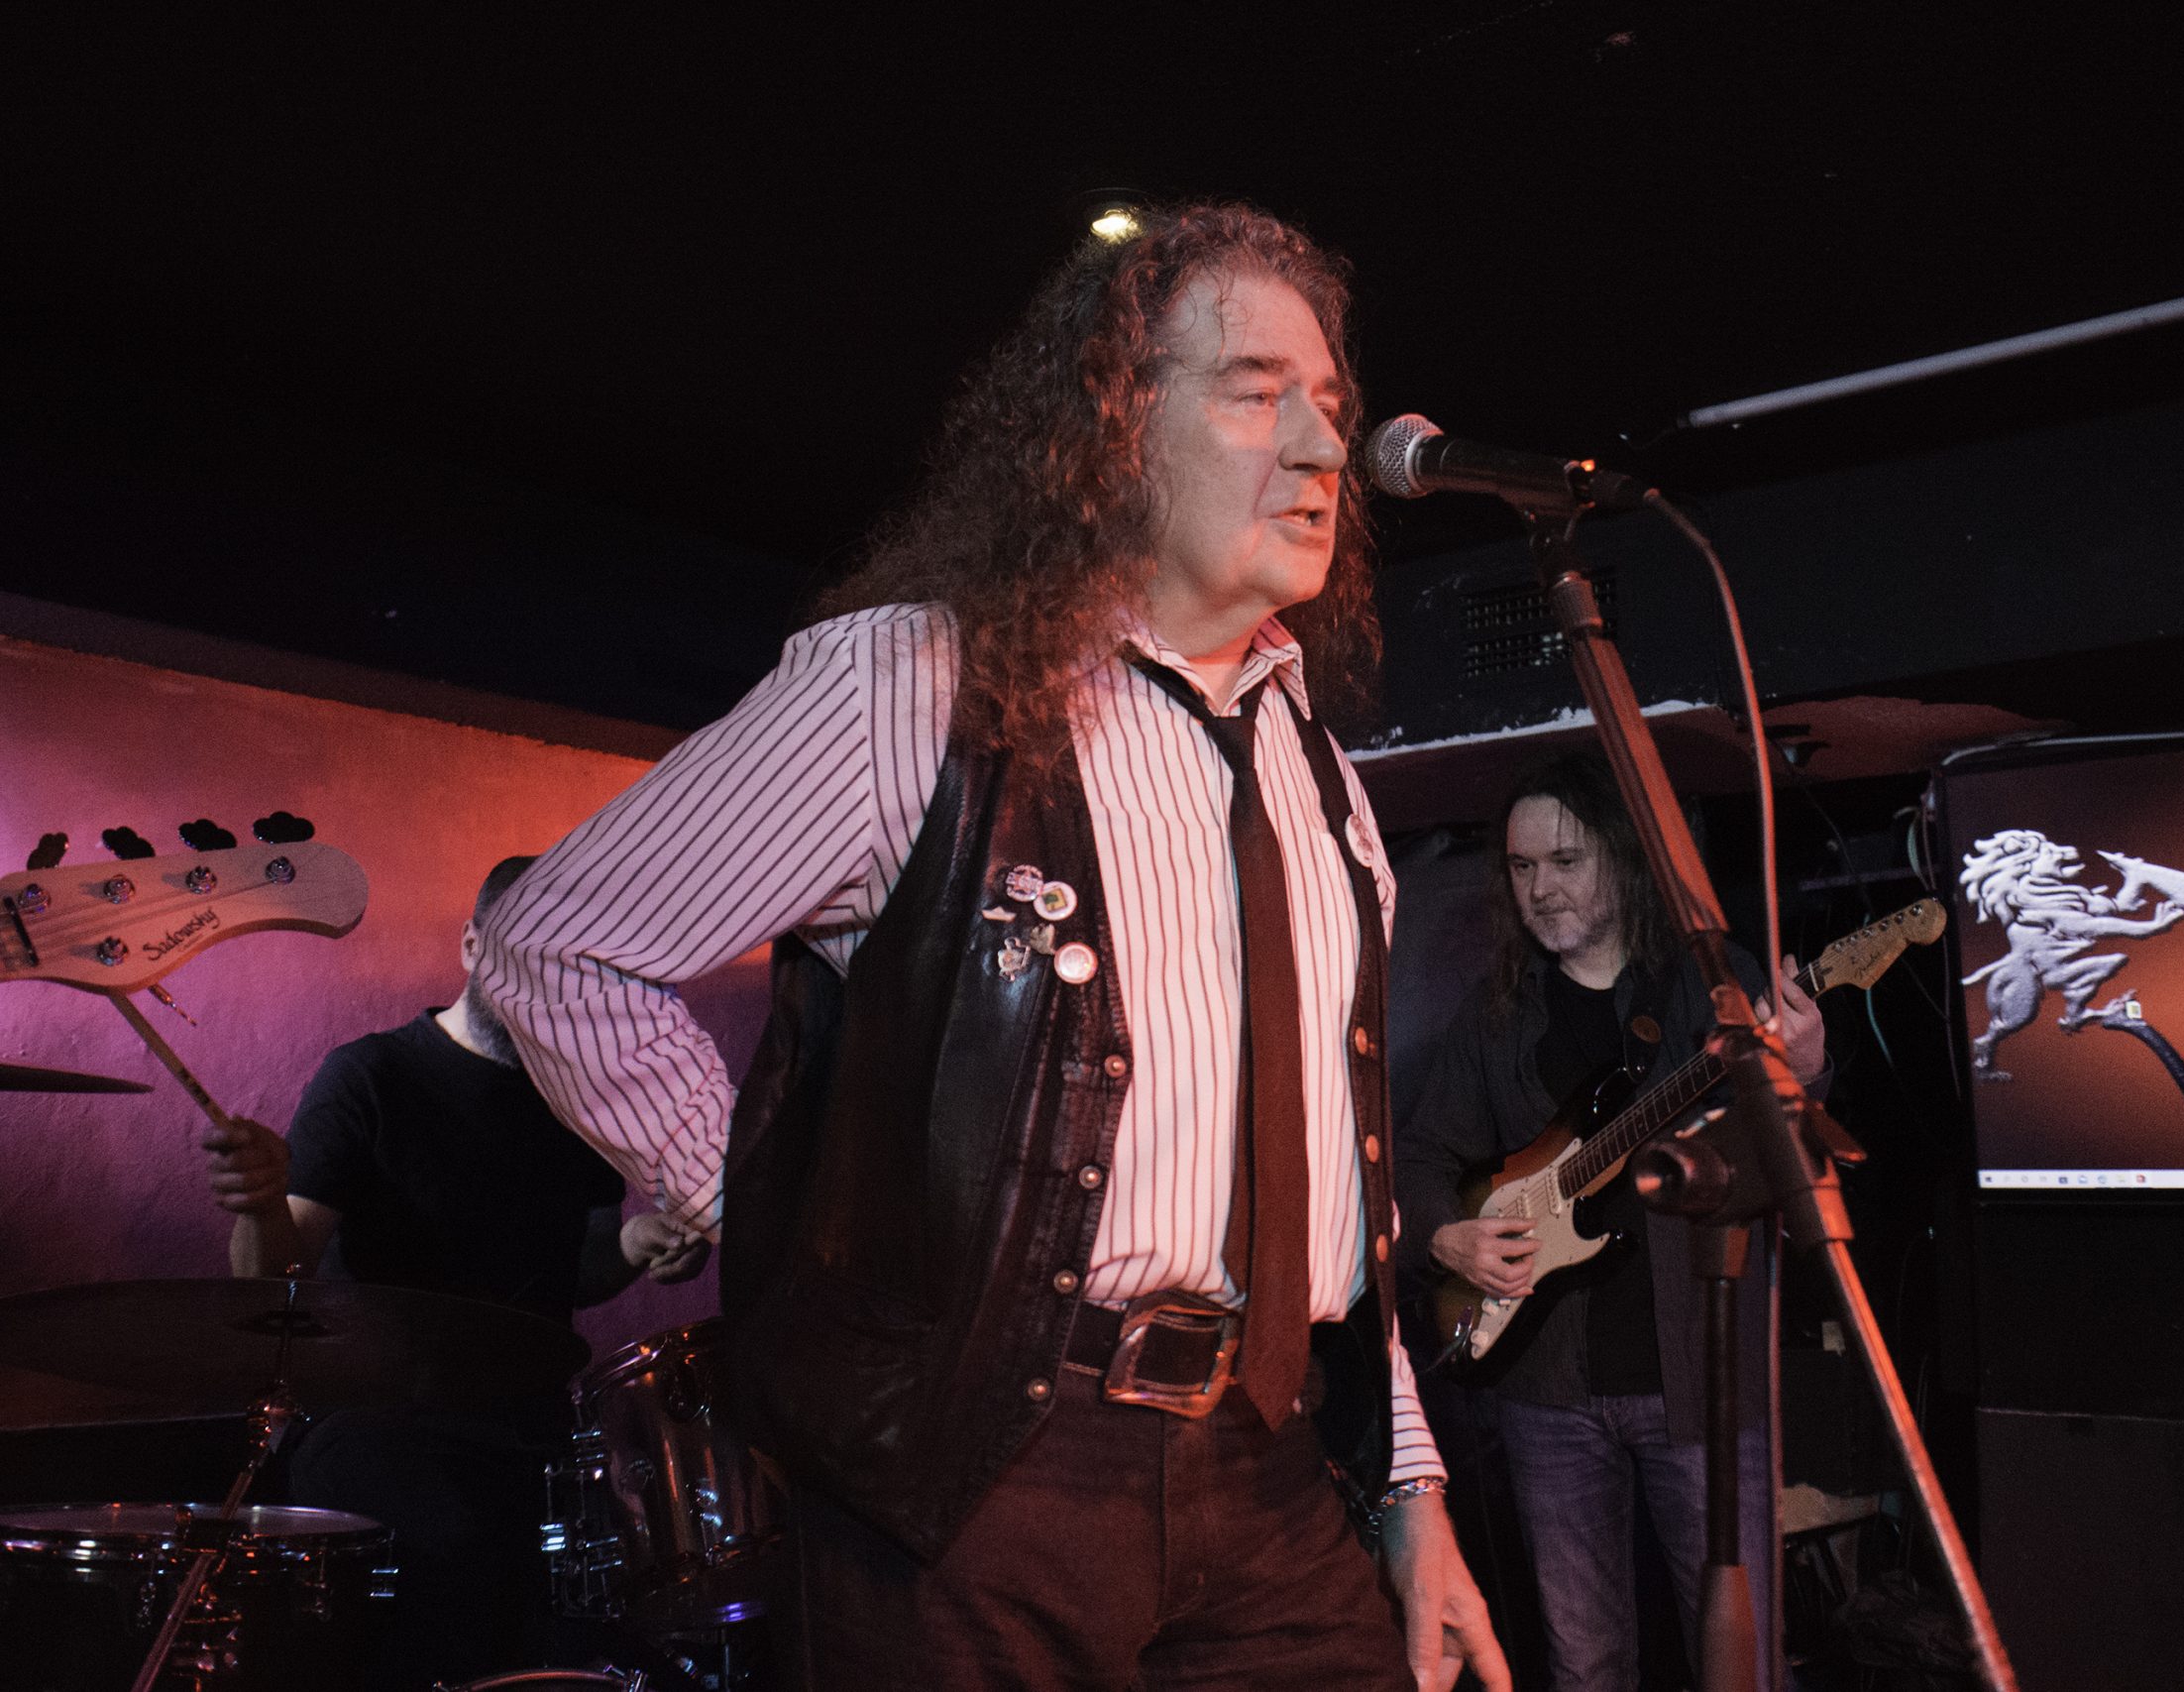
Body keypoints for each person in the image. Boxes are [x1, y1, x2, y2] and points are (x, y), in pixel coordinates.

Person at [476, 203, 1509, 1692]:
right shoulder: (915, 686)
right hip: (982, 1480)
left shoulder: (1324, 782)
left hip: (1277, 1472)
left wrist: (1411, 1490)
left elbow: (1342, 1183)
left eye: (1332, 405)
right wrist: (788, 1225)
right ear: (1115, 426)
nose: (1321, 446)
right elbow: (558, 946)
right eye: (1255, 391)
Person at [199, 853, 710, 1687]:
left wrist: (635, 1244)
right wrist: (258, 1205)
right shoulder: (371, 1076)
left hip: (535, 1441)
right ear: (474, 945)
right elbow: (276, 1275)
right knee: (462, 1571)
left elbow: (576, 1271)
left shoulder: (582, 1105)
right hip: (384, 1431)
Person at [1394, 753, 1826, 1692]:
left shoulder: (1711, 986)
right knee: (1585, 1664)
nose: (1540, 888)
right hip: (1546, 1392)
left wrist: (1803, 1073)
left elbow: (1791, 1164)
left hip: (1702, 1385)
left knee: (1744, 1663)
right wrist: (1447, 1237)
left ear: (1622, 859)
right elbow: (1418, 1158)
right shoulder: (1499, 1014)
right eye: (1522, 867)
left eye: (1565, 860)